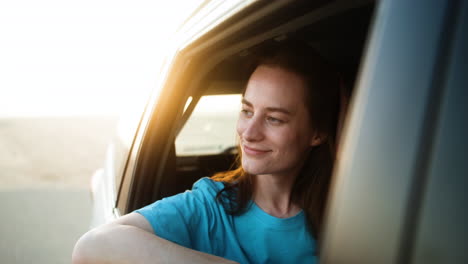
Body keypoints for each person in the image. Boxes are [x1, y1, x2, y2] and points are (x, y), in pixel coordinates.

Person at [72, 40, 340, 264]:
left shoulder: (345, 213)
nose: (248, 132)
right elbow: (91, 247)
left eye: (274, 119)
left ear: (318, 132)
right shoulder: (211, 207)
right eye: (247, 111)